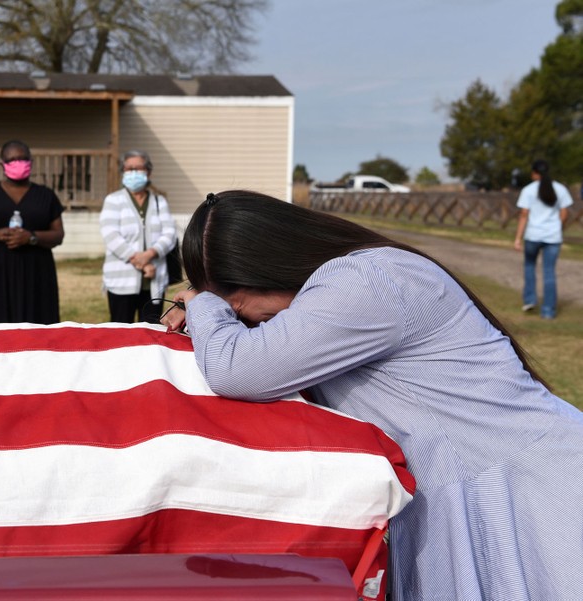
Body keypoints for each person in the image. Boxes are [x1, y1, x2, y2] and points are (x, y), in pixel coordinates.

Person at [161, 190, 583, 601]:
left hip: (538, 500)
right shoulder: (353, 278)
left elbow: (239, 369)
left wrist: (205, 306)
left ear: (275, 266)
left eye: (253, 314)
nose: (257, 324)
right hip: (491, 488)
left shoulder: (365, 281)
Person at [0, 140, 64, 324]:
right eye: (12, 160)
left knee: (39, 323)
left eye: (23, 159)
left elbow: (58, 235)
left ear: (31, 162)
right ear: (2, 163)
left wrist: (31, 237)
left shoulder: (46, 195)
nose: (18, 163)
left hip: (37, 273)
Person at [100, 150, 177, 323]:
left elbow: (170, 234)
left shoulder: (159, 202)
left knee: (150, 333)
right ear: (123, 171)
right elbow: (111, 235)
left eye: (139, 168)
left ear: (148, 171)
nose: (134, 172)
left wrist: (149, 254)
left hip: (154, 281)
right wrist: (142, 263)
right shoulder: (113, 200)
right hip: (121, 280)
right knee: (120, 333)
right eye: (129, 168)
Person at [513, 159, 574, 319]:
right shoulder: (560, 189)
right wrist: (557, 226)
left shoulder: (528, 190)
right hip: (553, 237)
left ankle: (530, 300)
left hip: (533, 235)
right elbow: (565, 213)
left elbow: (524, 215)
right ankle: (548, 311)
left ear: (534, 173)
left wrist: (518, 238)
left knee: (529, 266)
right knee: (549, 272)